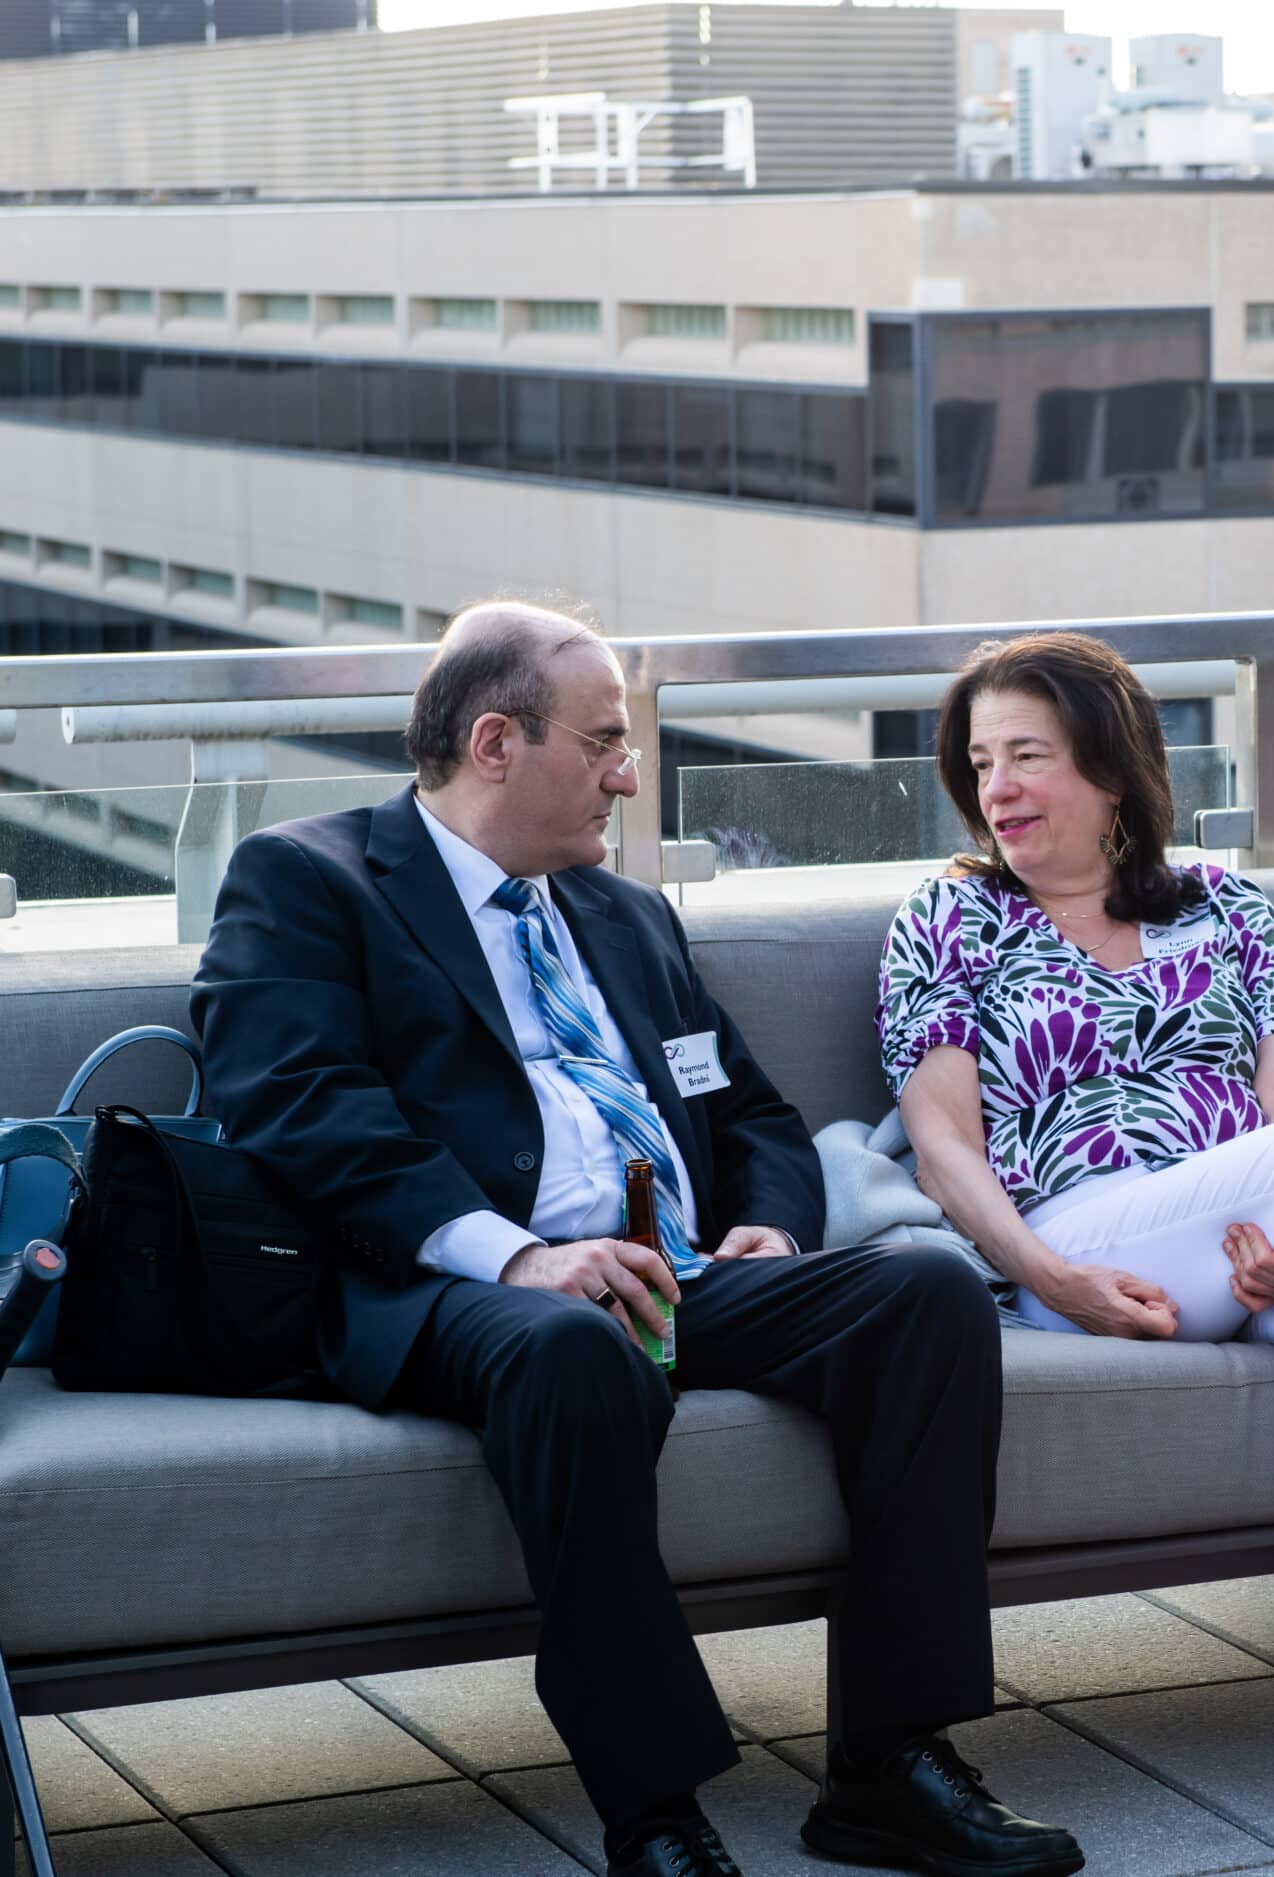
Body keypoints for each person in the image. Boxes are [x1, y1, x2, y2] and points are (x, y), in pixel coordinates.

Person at [190, 603, 1084, 1877]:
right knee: (574, 1347)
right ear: (495, 743)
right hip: (461, 1283)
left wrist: (770, 1223)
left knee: (926, 1292)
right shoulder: (309, 878)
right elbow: (299, 1103)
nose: (628, 772)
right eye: (604, 740)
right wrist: (517, 1256)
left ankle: (890, 1764)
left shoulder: (622, 912)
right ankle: (655, 1812)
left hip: (674, 1268)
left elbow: (751, 1108)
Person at [879, 632, 1274, 1818]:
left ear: (1113, 768)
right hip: (1081, 1237)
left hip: (1245, 1237)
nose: (997, 785)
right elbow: (943, 1144)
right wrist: (1049, 1274)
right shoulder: (951, 915)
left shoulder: (1225, 905)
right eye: (982, 761)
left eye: (1028, 754)